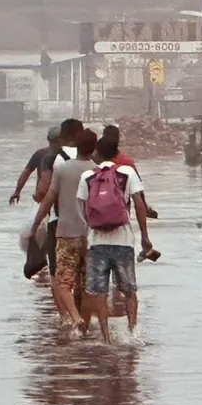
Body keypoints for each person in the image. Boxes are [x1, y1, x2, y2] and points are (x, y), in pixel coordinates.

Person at [77, 137, 153, 344]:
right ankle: (133, 333)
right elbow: (139, 206)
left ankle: (106, 337)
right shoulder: (127, 173)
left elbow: (82, 211)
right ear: (116, 151)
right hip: (124, 241)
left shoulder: (87, 177)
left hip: (97, 243)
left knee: (99, 292)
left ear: (97, 154)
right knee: (129, 290)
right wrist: (145, 238)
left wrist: (91, 232)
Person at [29, 129, 99, 329]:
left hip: (67, 233)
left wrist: (35, 225)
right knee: (86, 284)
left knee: (62, 283)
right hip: (92, 236)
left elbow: (48, 199)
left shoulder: (63, 169)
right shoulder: (98, 171)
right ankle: (86, 325)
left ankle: (74, 319)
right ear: (94, 148)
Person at [33, 119, 83, 280]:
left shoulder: (52, 158)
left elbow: (44, 193)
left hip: (61, 224)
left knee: (59, 276)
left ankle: (64, 306)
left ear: (63, 135)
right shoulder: (94, 158)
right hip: (90, 225)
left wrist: (34, 226)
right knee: (85, 277)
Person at [10, 127, 61, 205]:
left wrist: (17, 192)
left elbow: (26, 172)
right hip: (61, 198)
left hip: (42, 197)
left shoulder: (40, 154)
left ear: (48, 139)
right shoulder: (69, 155)